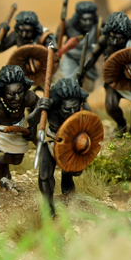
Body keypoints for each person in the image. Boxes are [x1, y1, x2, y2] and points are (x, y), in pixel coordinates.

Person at [0, 65, 43, 212]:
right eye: (11, 94)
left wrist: (33, 129)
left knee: (17, 160)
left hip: (17, 130)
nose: (17, 98)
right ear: (3, 91)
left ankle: (3, 162)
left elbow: (37, 110)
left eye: (19, 92)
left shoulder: (29, 97)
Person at [82, 11, 131, 137]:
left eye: (118, 39)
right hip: (115, 75)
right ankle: (121, 124)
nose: (114, 42)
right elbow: (93, 55)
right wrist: (82, 69)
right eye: (112, 37)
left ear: (127, 35)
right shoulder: (104, 38)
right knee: (111, 105)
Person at [31, 78, 92, 216]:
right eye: (67, 109)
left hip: (74, 143)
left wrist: (84, 148)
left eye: (75, 107)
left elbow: (92, 129)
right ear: (58, 105)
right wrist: (39, 109)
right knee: (44, 176)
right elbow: (31, 121)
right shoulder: (50, 108)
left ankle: (67, 177)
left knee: (75, 171)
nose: (72, 112)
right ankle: (49, 206)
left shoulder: (85, 109)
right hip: (52, 139)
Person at [53, 1, 100, 91]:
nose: (88, 23)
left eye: (90, 20)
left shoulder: (98, 26)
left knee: (88, 86)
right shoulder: (68, 25)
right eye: (84, 20)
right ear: (78, 18)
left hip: (88, 60)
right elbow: (55, 40)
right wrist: (57, 52)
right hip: (70, 59)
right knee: (65, 83)